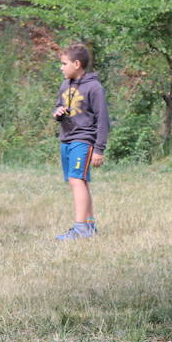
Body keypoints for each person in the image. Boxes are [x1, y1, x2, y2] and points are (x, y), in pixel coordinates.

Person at [52, 42, 110, 240]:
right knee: (79, 181)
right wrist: (58, 113)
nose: (61, 67)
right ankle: (90, 225)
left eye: (64, 63)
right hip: (66, 139)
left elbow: (103, 120)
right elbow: (58, 106)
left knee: (77, 179)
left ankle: (80, 228)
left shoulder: (94, 88)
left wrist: (99, 149)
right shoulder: (65, 84)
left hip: (83, 139)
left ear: (77, 64)